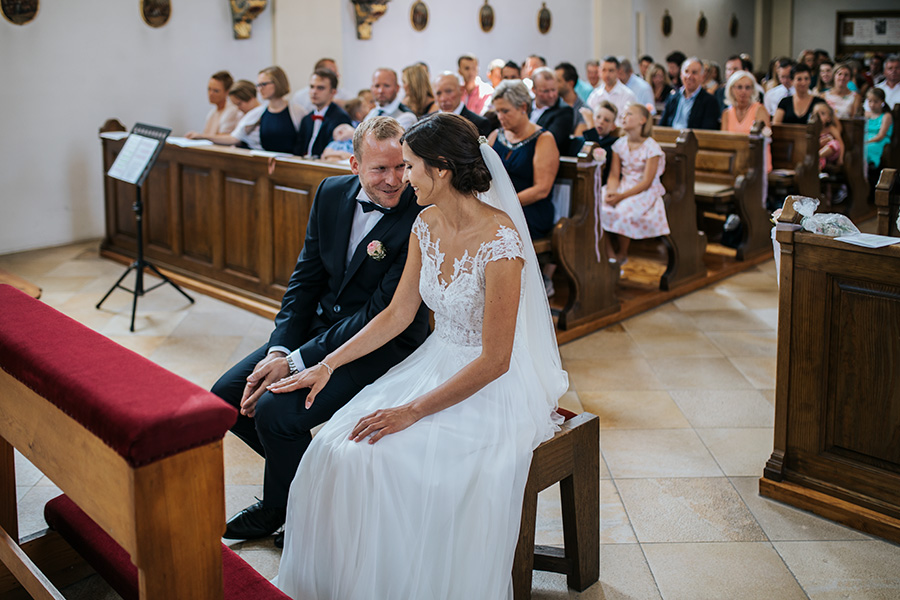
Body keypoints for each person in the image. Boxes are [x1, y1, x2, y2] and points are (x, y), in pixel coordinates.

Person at [272, 113, 567, 599]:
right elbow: (396, 314)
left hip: (489, 384)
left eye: (409, 166)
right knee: (337, 449)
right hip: (433, 361)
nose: (403, 177)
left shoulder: (501, 242)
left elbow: (496, 360)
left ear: (442, 168)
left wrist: (412, 411)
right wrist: (327, 363)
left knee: (399, 466)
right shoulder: (425, 223)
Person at [212, 117, 430, 548]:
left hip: (382, 342)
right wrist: (278, 350)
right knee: (227, 396)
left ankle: (282, 508)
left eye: (401, 167)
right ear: (354, 164)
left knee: (278, 413)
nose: (395, 180)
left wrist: (297, 361)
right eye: (379, 169)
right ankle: (309, 488)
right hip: (318, 328)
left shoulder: (420, 215)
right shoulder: (330, 192)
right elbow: (305, 278)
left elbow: (381, 311)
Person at [488, 80, 560, 239]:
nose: (500, 117)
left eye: (505, 111)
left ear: (523, 107)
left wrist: (504, 204)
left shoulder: (543, 139)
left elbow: (542, 189)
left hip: (530, 210)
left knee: (490, 228)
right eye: (498, 111)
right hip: (498, 207)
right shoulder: (495, 136)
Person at [601, 103, 669, 264]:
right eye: (623, 114)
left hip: (643, 190)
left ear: (642, 120)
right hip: (622, 185)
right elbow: (614, 174)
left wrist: (620, 197)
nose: (624, 117)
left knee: (624, 211)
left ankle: (622, 253)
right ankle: (609, 254)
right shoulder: (619, 144)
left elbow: (647, 181)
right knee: (597, 206)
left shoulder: (651, 147)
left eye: (629, 114)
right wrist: (612, 191)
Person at [186, 80, 263, 148]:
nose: (238, 108)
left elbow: (233, 138)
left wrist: (201, 136)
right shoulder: (242, 114)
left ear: (251, 98)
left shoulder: (258, 113)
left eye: (239, 104)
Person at [294, 69, 353, 158]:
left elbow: (336, 151)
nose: (314, 92)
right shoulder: (307, 118)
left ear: (333, 92)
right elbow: (298, 150)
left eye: (320, 88)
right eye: (312, 87)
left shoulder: (340, 118)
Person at [721, 70, 771, 173]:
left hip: (755, 160)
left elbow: (763, 139)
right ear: (731, 89)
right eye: (739, 87)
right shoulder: (727, 113)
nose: (743, 91)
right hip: (734, 160)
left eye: (747, 87)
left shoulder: (759, 110)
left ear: (753, 90)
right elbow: (724, 141)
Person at [659, 57, 721, 130]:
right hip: (669, 138)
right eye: (686, 71)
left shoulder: (710, 101)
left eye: (694, 72)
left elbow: (708, 131)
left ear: (702, 77)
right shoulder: (672, 97)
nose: (689, 76)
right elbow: (662, 126)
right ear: (681, 75)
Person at [255, 66, 306, 153]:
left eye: (264, 84)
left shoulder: (298, 112)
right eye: (258, 85)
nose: (260, 89)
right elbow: (238, 136)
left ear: (277, 83)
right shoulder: (258, 113)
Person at [530, 67, 575, 155]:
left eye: (554, 90)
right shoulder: (525, 106)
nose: (551, 95)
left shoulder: (564, 111)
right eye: (545, 91)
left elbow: (550, 141)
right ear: (534, 90)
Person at [433, 71, 493, 136]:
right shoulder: (426, 123)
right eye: (438, 93)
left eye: (448, 91)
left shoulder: (479, 124)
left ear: (461, 90)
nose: (443, 98)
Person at [187, 71, 240, 138]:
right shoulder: (212, 113)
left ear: (227, 92)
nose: (211, 94)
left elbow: (222, 139)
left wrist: (200, 136)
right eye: (209, 89)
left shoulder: (232, 111)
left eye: (216, 91)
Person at [587, 56, 637, 126]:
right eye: (604, 70)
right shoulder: (595, 95)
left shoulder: (628, 95)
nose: (607, 74)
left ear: (618, 71)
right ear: (599, 71)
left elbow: (628, 122)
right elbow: (589, 118)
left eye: (611, 70)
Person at [579, 100, 619, 184]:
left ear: (613, 126)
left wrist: (591, 126)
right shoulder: (581, 139)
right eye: (598, 117)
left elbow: (596, 153)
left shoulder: (614, 143)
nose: (601, 122)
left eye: (606, 120)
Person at [555, 62, 588, 136]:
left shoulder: (584, 110)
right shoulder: (552, 105)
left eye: (558, 81)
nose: (554, 84)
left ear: (570, 83)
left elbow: (577, 139)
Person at [865, 87, 894, 170]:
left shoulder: (886, 116)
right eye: (870, 101)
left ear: (882, 102)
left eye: (876, 101)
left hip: (879, 141)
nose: (872, 104)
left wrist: (867, 142)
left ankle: (871, 166)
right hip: (867, 138)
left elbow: (881, 136)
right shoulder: (867, 114)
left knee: (867, 148)